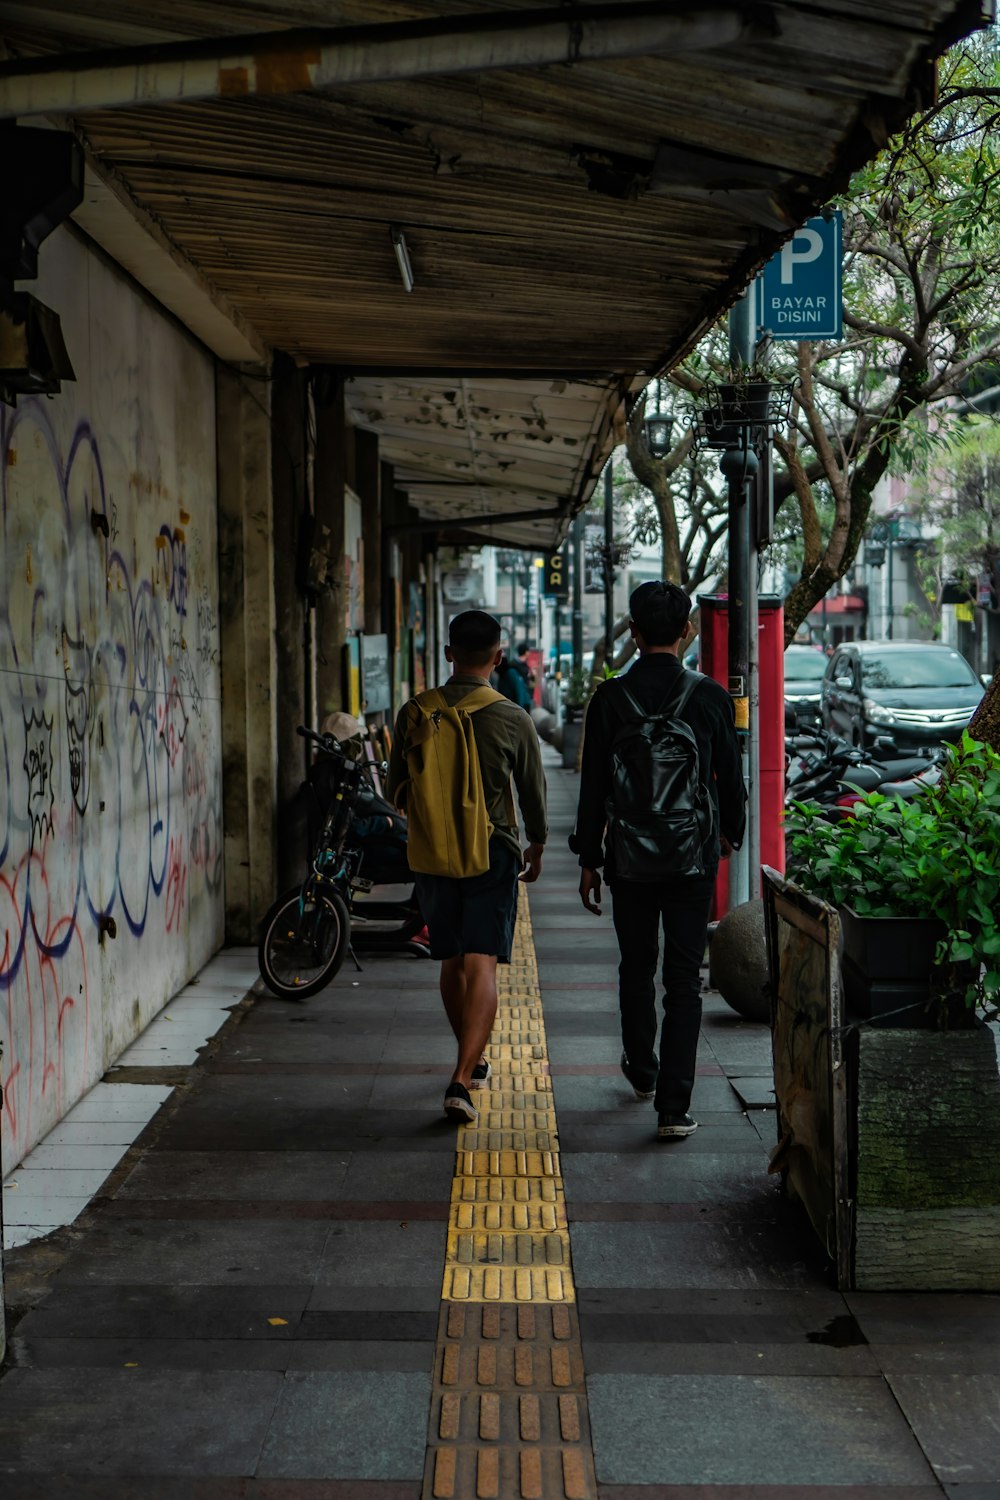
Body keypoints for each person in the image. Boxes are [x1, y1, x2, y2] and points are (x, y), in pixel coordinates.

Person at [573, 581, 745, 1140]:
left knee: (636, 965)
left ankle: (642, 1069)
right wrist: (729, 835)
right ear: (687, 631)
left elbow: (595, 783)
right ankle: (674, 1107)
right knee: (683, 981)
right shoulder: (710, 696)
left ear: (634, 632)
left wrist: (590, 857)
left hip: (627, 858)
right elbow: (730, 779)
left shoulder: (609, 699)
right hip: (692, 857)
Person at [387, 609, 548, 1123]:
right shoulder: (513, 718)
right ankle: (462, 1076)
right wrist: (537, 844)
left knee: (451, 960)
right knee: (482, 963)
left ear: (449, 652)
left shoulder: (415, 711)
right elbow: (531, 794)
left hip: (434, 853)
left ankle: (469, 1062)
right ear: (498, 658)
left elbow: (395, 792)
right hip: (493, 850)